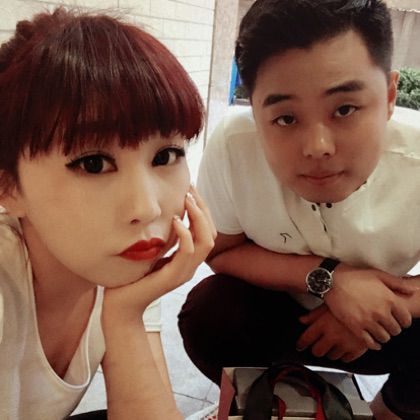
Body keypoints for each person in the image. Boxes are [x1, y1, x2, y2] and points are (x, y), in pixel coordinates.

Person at [178, 1, 420, 419]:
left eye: (345, 109)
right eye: (286, 118)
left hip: (383, 329)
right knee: (209, 313)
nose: (317, 147)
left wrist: (386, 306)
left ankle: (387, 412)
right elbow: (220, 252)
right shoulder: (235, 146)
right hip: (278, 312)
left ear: (389, 96)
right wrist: (332, 280)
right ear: (254, 110)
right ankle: (267, 398)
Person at [0, 7, 216, 420]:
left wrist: (125, 315)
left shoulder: (119, 268)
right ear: (9, 187)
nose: (146, 208)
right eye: (94, 164)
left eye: (165, 155)